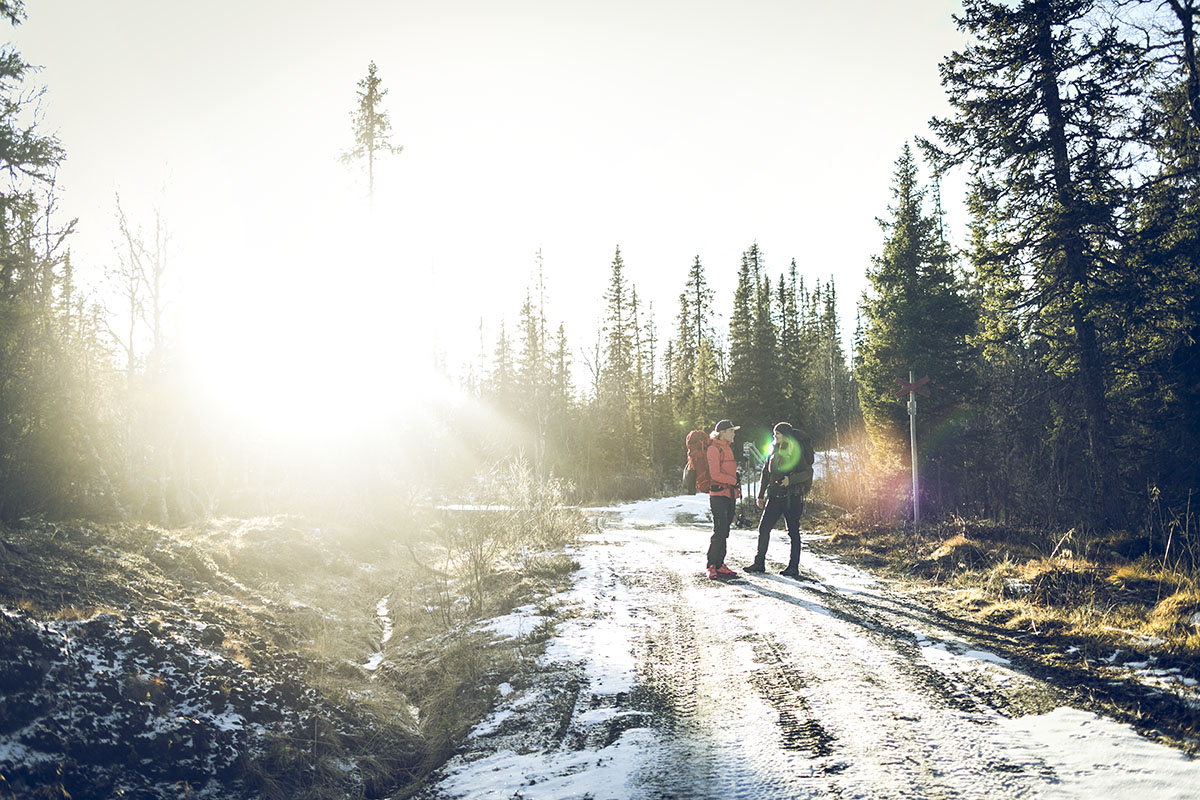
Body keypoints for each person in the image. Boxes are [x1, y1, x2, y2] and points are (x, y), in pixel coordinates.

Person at [745, 421, 814, 577]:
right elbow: (765, 472)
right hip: (774, 496)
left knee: (793, 532)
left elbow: (807, 472)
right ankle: (759, 563)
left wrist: (791, 480)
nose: (774, 436)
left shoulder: (796, 450)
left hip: (792, 497)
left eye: (778, 434)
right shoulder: (773, 448)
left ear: (785, 435)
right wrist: (760, 495)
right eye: (774, 434)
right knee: (764, 528)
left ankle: (793, 567)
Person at [706, 419, 741, 579]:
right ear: (723, 433)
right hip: (718, 496)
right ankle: (711, 565)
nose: (734, 433)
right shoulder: (713, 449)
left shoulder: (727, 448)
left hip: (729, 495)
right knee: (719, 531)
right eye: (731, 431)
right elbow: (715, 474)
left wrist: (735, 483)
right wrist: (734, 481)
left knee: (725, 531)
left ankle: (720, 564)